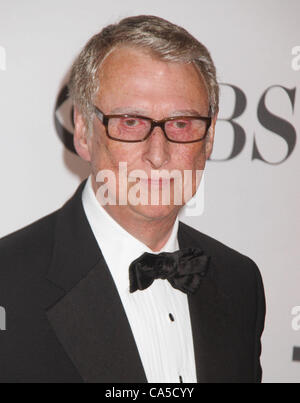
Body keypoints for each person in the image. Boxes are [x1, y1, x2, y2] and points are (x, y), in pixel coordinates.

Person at [0, 15, 265, 383]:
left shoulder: (240, 282)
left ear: (209, 139)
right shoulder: (8, 281)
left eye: (181, 123)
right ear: (83, 131)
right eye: (130, 122)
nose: (158, 154)